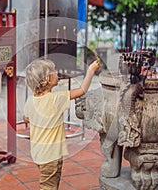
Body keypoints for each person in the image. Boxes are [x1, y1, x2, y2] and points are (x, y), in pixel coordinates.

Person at [23, 58, 100, 190]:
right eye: (53, 71)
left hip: (38, 153)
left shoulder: (30, 101)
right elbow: (81, 90)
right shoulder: (56, 99)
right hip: (51, 156)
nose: (56, 72)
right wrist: (90, 71)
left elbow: (26, 118)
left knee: (49, 183)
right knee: (48, 187)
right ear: (47, 79)